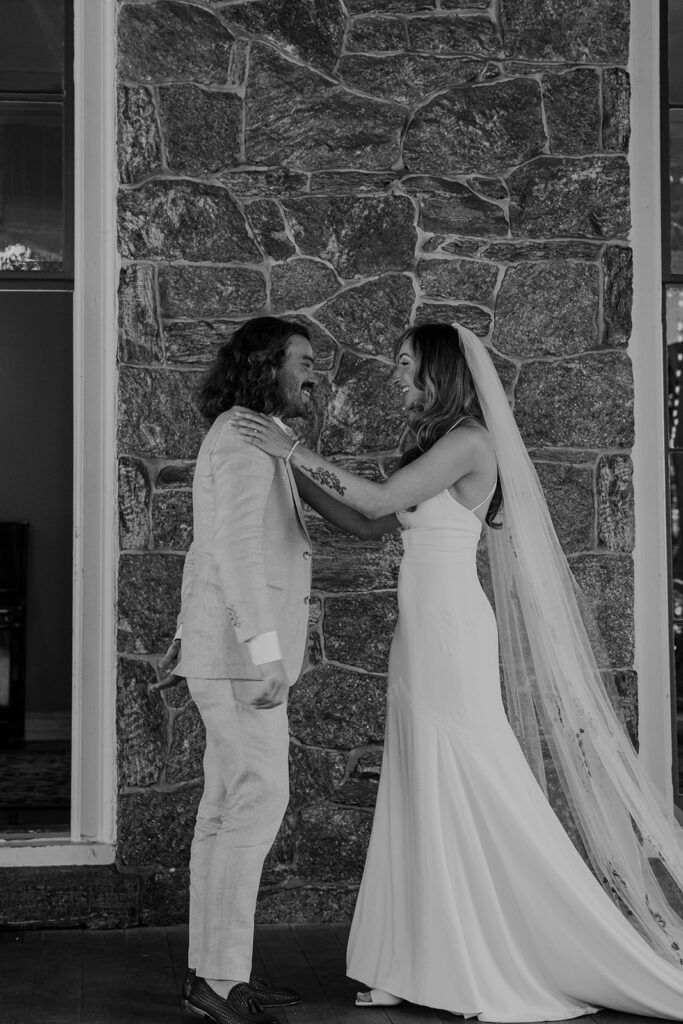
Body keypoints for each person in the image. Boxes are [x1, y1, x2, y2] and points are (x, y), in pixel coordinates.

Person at [232, 322, 683, 1022]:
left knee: (472, 777)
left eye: (407, 365)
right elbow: (366, 524)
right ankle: (418, 961)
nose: (398, 378)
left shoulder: (469, 440)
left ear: (441, 371)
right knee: (419, 787)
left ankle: (491, 956)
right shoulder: (436, 448)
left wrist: (293, 447)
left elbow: (378, 501)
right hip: (419, 639)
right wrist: (287, 468)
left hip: (450, 635)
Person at [167, 316, 318, 1024]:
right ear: (267, 365)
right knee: (256, 803)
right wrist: (265, 652)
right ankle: (221, 981)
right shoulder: (245, 441)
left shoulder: (247, 433)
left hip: (221, 652)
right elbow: (234, 553)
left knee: (225, 809)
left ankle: (213, 974)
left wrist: (184, 635)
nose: (312, 374)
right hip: (240, 660)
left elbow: (209, 548)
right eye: (303, 361)